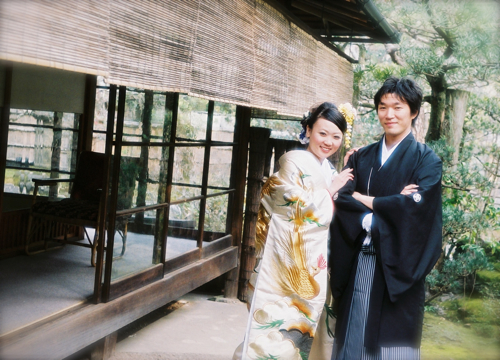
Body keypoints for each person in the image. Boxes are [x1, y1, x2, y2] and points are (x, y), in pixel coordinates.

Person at [329, 76, 443, 359]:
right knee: (355, 337)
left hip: (399, 268)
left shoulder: (427, 161)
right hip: (361, 262)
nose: (389, 114)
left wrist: (366, 201)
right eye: (382, 107)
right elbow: (342, 198)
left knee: (394, 345)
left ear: (414, 112)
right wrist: (388, 208)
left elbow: (416, 212)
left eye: (398, 107)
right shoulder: (361, 157)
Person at [233, 101, 355, 360]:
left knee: (308, 334)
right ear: (308, 130)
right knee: (276, 332)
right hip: (287, 263)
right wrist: (331, 190)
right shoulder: (293, 161)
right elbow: (287, 205)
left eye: (336, 136)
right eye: (322, 133)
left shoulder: (328, 169)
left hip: (317, 263)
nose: (328, 142)